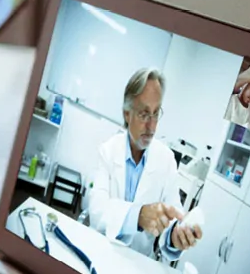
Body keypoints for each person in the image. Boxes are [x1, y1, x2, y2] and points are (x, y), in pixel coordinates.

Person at [83, 68, 202, 260]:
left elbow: (173, 216)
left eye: (156, 114)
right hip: (100, 252)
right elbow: (97, 210)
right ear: (127, 114)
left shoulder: (166, 160)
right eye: (144, 114)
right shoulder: (107, 151)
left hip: (137, 264)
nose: (152, 126)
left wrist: (175, 235)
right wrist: (137, 216)